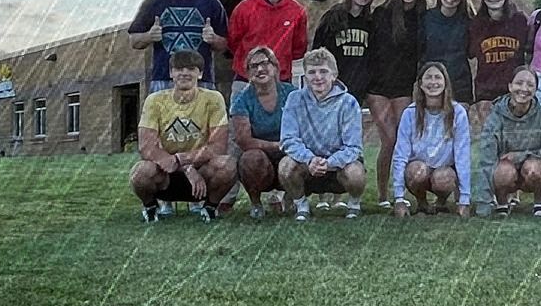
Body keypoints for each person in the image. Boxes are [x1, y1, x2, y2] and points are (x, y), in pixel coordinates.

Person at [129, 49, 235, 223]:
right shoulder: (155, 100)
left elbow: (218, 146)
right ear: (171, 73)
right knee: (140, 172)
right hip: (166, 173)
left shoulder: (214, 98)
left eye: (191, 68)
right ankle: (150, 207)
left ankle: (209, 207)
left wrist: (183, 160)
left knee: (228, 166)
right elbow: (146, 147)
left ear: (200, 73)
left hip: (202, 171)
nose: (184, 73)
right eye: (179, 68)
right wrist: (185, 167)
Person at [279, 48, 367, 219]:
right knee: (285, 166)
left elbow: (353, 147)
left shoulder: (348, 102)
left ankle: (354, 203)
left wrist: (329, 163)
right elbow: (288, 139)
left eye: (323, 72)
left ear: (334, 75)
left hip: (339, 166)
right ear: (305, 75)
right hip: (307, 164)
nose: (318, 77)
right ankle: (301, 205)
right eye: (312, 72)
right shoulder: (294, 99)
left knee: (356, 173)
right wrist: (310, 159)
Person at [366, 0, 427, 207]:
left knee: (404, 140)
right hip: (378, 87)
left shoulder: (421, 17)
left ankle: (405, 191)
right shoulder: (384, 11)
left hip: (403, 86)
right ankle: (383, 194)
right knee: (389, 139)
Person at [127, 0, 228, 90]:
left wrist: (213, 39)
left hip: (201, 81)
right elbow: (134, 41)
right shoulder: (153, 3)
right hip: (163, 81)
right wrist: (149, 36)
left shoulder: (212, 4)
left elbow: (225, 44)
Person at [388, 61, 473, 216]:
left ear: (445, 83)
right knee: (417, 172)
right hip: (419, 167)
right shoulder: (409, 113)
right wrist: (399, 198)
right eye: (428, 78)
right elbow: (400, 155)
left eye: (437, 78)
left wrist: (465, 200)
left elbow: (463, 156)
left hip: (444, 169)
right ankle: (422, 203)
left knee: (444, 178)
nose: (433, 82)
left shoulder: (458, 112)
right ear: (420, 84)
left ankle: (441, 203)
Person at [473, 65, 541, 217]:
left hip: (532, 168)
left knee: (535, 168)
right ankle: (502, 203)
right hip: (505, 170)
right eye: (519, 83)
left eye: (530, 85)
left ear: (536, 90)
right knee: (503, 171)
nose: (524, 89)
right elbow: (487, 160)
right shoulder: (495, 117)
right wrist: (483, 204)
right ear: (510, 86)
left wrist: (521, 156)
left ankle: (539, 203)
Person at [226, 0, 308, 103]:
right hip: (246, 79)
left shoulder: (297, 11)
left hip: (280, 81)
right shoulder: (244, 8)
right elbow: (233, 42)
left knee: (281, 125)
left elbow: (298, 48)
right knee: (238, 124)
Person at [229, 45, 295, 218]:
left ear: (275, 67)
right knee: (250, 158)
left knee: (299, 156)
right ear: (248, 73)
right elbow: (244, 141)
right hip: (261, 157)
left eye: (265, 63)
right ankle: (256, 203)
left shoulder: (292, 94)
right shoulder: (241, 100)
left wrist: (291, 147)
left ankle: (292, 198)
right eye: (254, 66)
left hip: (290, 152)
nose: (260, 69)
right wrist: (277, 145)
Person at [469, 0, 533, 134]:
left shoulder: (519, 20)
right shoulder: (476, 23)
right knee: (491, 135)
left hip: (514, 89)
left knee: (513, 136)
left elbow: (532, 47)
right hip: (486, 90)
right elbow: (469, 53)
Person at [313, 0, 378, 102]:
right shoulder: (333, 16)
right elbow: (317, 50)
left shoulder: (371, 22)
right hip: (333, 85)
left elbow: (373, 54)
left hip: (359, 86)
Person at [421, 0, 477, 106]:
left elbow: (472, 52)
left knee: (458, 125)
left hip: (459, 85)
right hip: (431, 84)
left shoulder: (469, 22)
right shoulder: (426, 18)